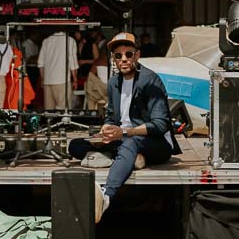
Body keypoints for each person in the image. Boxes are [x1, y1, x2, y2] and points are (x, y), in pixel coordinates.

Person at [68, 32, 181, 220]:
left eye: (128, 54)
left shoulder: (150, 80)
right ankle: (132, 160)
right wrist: (106, 129)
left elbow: (161, 125)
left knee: (130, 142)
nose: (123, 59)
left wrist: (125, 132)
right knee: (76, 145)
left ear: (137, 55)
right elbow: (112, 116)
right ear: (113, 58)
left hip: (156, 143)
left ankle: (106, 196)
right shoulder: (114, 82)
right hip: (125, 139)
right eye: (118, 55)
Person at [38, 29, 78, 110]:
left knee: (49, 111)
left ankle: (49, 122)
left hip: (48, 81)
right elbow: (73, 62)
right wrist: (75, 79)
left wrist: (42, 78)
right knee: (63, 110)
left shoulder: (46, 41)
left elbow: (40, 63)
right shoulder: (70, 40)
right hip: (62, 80)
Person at [84, 46, 110, 112]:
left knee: (90, 87)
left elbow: (91, 76)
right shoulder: (117, 60)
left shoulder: (98, 61)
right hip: (110, 90)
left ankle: (92, 112)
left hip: (102, 90)